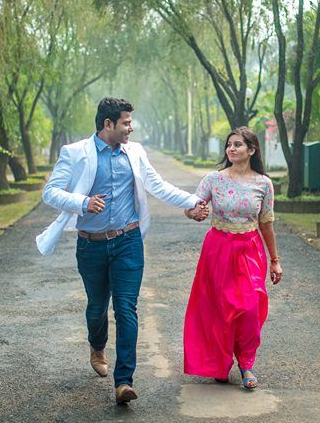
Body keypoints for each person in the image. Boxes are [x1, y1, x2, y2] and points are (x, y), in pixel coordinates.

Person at [37, 97, 210, 404]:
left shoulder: (135, 152)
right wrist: (83, 203)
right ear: (108, 124)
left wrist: (192, 202)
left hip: (128, 241)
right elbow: (50, 192)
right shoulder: (75, 153)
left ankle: (124, 381)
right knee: (96, 307)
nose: (131, 128)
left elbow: (157, 185)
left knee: (127, 308)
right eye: (126, 123)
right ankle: (97, 344)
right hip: (90, 244)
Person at [182, 126, 283, 389]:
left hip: (250, 249)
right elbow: (192, 207)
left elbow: (267, 223)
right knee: (220, 308)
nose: (231, 149)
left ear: (251, 150)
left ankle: (247, 364)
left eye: (238, 144)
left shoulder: (264, 184)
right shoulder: (213, 180)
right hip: (218, 249)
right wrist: (195, 213)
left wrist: (274, 259)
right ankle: (220, 361)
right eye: (229, 145)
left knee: (250, 307)